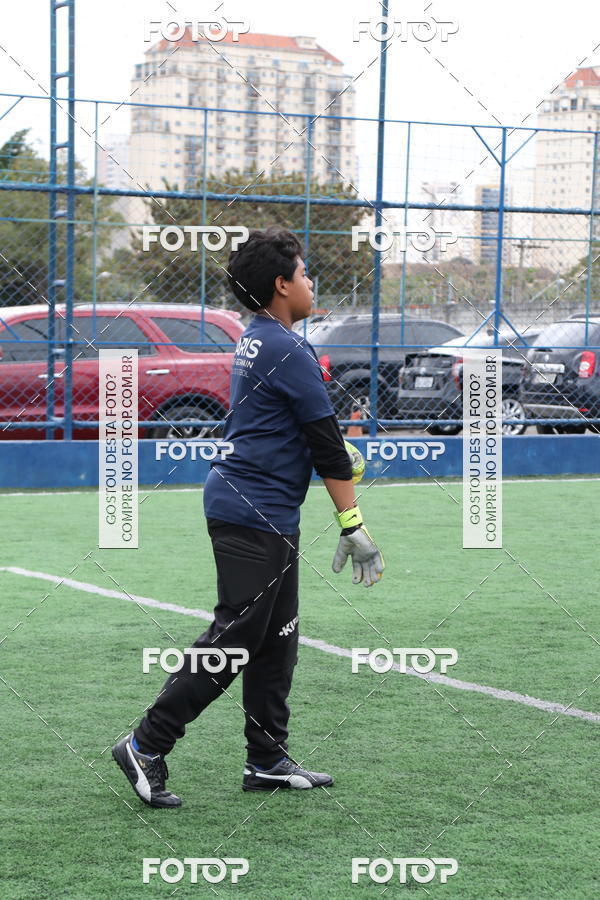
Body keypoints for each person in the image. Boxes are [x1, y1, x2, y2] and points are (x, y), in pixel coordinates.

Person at [112, 227, 385, 807]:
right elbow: (327, 443)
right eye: (305, 273)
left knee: (276, 638)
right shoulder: (287, 346)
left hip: (262, 507)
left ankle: (266, 761)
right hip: (249, 509)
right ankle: (146, 743)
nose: (312, 282)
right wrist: (353, 524)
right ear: (282, 285)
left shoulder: (261, 336)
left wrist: (327, 463)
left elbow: (301, 436)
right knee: (237, 637)